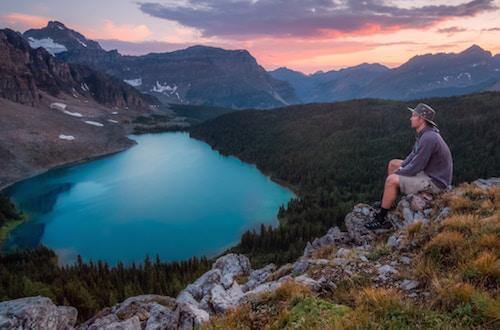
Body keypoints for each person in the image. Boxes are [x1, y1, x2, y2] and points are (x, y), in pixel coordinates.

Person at [365, 103, 453, 230]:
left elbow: (416, 166)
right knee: (393, 164)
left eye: (413, 116)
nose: (410, 118)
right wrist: (401, 168)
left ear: (421, 119)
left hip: (435, 182)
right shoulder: (424, 134)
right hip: (429, 173)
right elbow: (412, 156)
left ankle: (381, 218)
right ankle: (389, 202)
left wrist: (400, 173)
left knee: (391, 180)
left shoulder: (429, 138)